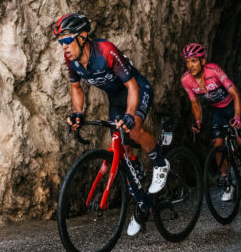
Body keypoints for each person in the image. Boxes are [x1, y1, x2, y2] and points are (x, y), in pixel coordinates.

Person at [54, 13, 167, 236]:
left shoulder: (105, 51)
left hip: (136, 90)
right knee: (119, 149)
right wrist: (78, 112)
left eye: (67, 40)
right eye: (60, 42)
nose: (64, 47)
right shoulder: (72, 61)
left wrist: (131, 114)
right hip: (115, 99)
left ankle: (160, 163)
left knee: (133, 130)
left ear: (83, 36)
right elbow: (76, 88)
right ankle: (142, 203)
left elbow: (132, 87)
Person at [180, 43, 241, 202]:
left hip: (232, 105)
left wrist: (237, 117)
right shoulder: (186, 80)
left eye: (194, 61)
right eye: (187, 62)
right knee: (217, 145)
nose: (190, 66)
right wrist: (198, 121)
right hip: (217, 111)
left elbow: (235, 93)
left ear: (202, 61)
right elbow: (195, 104)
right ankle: (228, 184)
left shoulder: (213, 70)